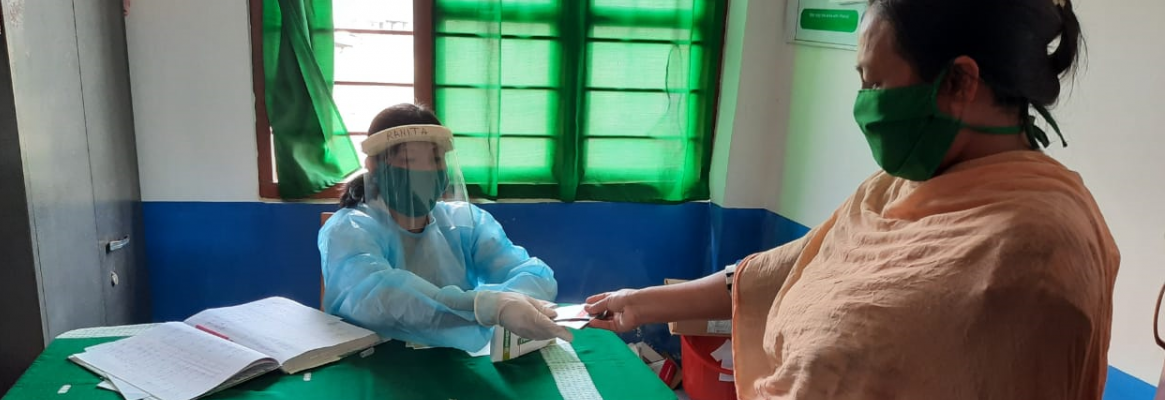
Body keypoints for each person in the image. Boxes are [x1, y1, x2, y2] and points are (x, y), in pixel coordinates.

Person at [585, 0, 1119, 398]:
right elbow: (780, 269)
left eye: (878, 85)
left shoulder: (1043, 251)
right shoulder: (895, 189)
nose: (865, 107)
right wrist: (641, 302)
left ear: (960, 81)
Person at [319, 103, 571, 353]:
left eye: (435, 159)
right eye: (409, 160)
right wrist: (486, 307)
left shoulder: (464, 222)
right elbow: (381, 298)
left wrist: (508, 304)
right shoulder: (351, 229)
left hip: (453, 359)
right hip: (375, 364)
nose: (426, 170)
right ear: (374, 167)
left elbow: (535, 276)